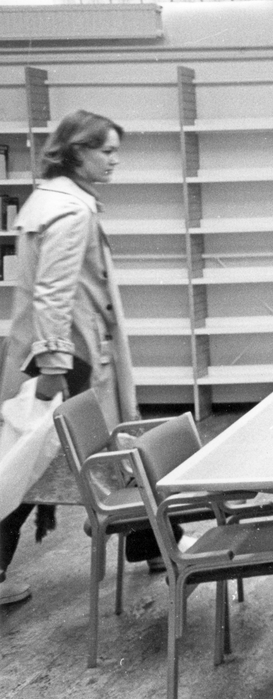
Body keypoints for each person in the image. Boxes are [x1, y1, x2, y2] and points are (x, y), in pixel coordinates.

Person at [0, 110, 165, 606]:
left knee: (47, 460)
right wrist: (54, 371)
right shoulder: (71, 212)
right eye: (106, 151)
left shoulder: (47, 200)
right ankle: (156, 544)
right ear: (77, 151)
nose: (115, 160)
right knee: (41, 465)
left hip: (52, 353)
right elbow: (53, 294)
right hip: (72, 360)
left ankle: (154, 544)